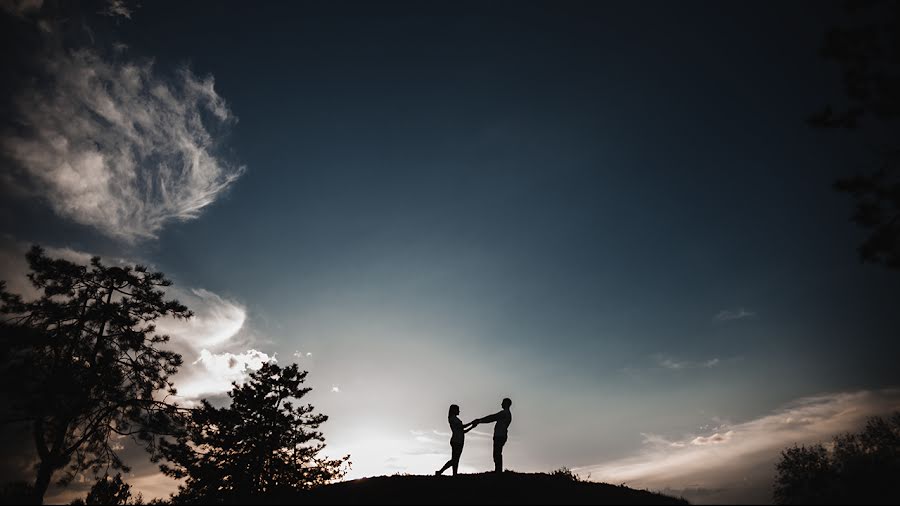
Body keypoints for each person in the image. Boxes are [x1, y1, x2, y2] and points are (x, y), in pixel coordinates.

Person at [435, 404, 477, 476]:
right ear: (454, 410)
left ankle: (454, 474)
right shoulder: (453, 419)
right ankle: (440, 471)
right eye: (458, 409)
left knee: (455, 460)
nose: (459, 411)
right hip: (456, 441)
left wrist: (472, 426)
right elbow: (462, 427)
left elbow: (463, 431)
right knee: (454, 460)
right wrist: (471, 423)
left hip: (459, 441)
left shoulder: (454, 419)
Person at [473, 397, 512, 474]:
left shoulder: (504, 413)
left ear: (507, 404)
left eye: (503, 402)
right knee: (497, 454)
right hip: (500, 435)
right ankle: (498, 471)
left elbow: (492, 418)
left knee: (497, 454)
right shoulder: (506, 413)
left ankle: (498, 472)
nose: (501, 404)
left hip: (500, 435)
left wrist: (479, 420)